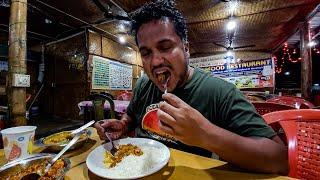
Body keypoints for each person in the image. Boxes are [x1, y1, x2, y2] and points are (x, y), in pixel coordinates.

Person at [94, 0, 288, 174]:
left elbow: (279, 159)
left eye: (165, 47)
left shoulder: (219, 91)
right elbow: (132, 116)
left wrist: (206, 135)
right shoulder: (145, 84)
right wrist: (122, 125)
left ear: (186, 49)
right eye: (146, 53)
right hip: (133, 167)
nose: (155, 61)